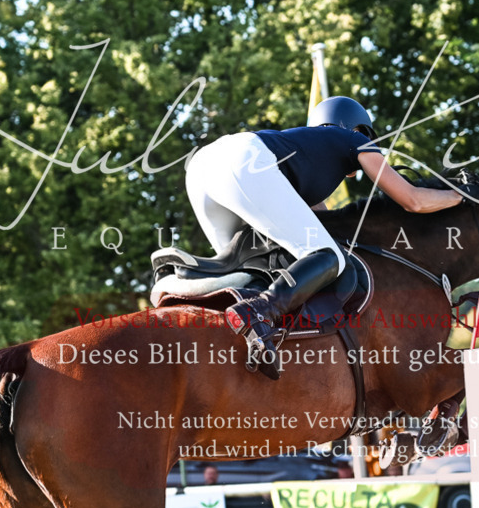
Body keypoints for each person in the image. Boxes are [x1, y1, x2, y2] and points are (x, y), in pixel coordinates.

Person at [185, 96, 462, 379]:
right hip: (242, 159)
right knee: (329, 258)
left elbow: (323, 223)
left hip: (200, 168)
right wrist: (458, 196)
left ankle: (192, 291)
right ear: (359, 130)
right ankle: (259, 312)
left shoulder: (302, 153)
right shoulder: (353, 140)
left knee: (244, 268)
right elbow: (412, 200)